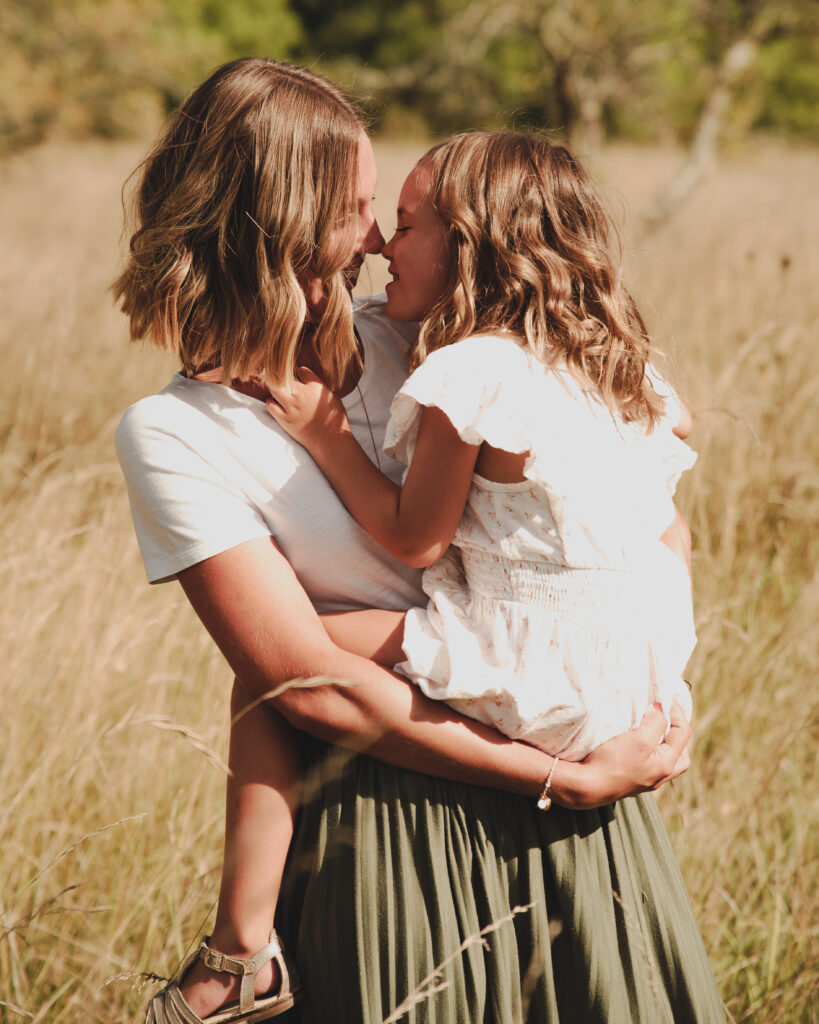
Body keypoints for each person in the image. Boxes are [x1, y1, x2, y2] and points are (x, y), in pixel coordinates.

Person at [114, 58, 725, 1024]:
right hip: (390, 829)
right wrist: (562, 776)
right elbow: (299, 680)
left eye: (387, 214)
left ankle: (236, 958)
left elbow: (648, 511)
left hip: (580, 809)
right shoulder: (177, 435)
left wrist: (650, 681)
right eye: (355, 207)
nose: (371, 238)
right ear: (270, 220)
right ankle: (244, 953)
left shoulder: (433, 342)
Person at [267, 130, 698, 765]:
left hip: (534, 665)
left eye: (406, 228)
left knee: (282, 657)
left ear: (468, 249)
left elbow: (418, 539)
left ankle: (259, 861)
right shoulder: (601, 360)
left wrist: (324, 432)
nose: (383, 247)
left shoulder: (471, 376)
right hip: (640, 672)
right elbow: (679, 421)